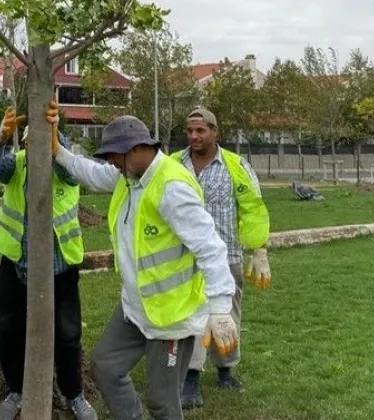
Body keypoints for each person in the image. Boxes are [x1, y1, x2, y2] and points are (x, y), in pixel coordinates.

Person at [49, 110, 240, 420]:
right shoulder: (129, 175)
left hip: (170, 317)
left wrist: (220, 308)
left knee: (162, 403)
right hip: (135, 306)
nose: (111, 161)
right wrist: (58, 151)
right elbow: (93, 173)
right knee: (105, 366)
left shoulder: (171, 188)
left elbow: (210, 247)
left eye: (114, 155)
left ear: (137, 149)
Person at [0, 105, 96, 420]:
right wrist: (2, 135)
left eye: (44, 143)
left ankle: (74, 394)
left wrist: (55, 138)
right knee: (7, 330)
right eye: (32, 142)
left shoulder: (65, 170)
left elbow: (70, 171)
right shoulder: (16, 166)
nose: (36, 148)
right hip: (16, 265)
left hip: (60, 268)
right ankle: (17, 390)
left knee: (68, 334)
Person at [171, 107, 271, 408]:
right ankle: (191, 375)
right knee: (194, 317)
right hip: (184, 258)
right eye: (189, 131)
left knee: (228, 315)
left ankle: (226, 368)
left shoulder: (236, 166)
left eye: (200, 131)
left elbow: (253, 208)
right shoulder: (174, 164)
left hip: (226, 256)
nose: (194, 136)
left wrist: (260, 250)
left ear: (215, 131)